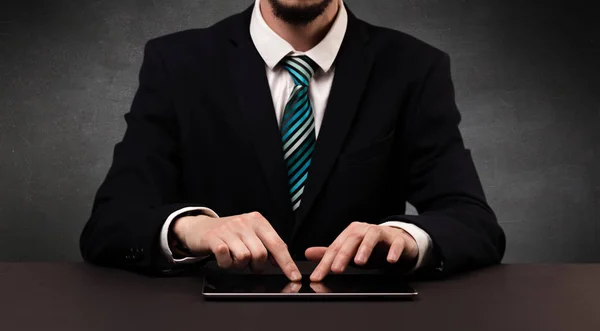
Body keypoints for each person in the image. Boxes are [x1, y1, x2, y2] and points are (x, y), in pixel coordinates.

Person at [80, 0, 506, 281]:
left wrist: (407, 238)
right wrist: (194, 228)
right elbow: (110, 224)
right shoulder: (177, 63)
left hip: (363, 319)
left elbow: (474, 222)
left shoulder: (414, 67)